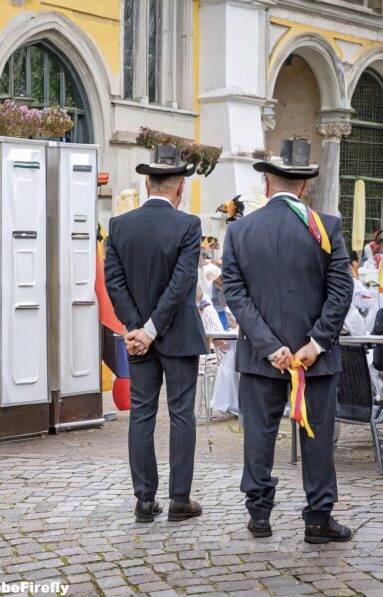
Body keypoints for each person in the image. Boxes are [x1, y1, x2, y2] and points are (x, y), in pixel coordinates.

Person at [222, 138, 354, 543]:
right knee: (316, 437)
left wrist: (268, 345)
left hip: (262, 358)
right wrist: (315, 343)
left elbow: (234, 292)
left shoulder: (240, 230)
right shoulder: (327, 227)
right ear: (302, 186)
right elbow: (341, 291)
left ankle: (259, 514)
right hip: (314, 358)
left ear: (266, 184)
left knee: (259, 435)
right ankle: (317, 518)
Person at [104, 143, 206, 523]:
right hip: (178, 336)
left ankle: (144, 500)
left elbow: (113, 281)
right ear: (179, 186)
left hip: (137, 339)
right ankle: (180, 499)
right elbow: (182, 284)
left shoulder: (119, 225)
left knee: (142, 414)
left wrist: (136, 328)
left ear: (147, 185)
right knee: (181, 414)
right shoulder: (188, 225)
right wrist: (147, 329)